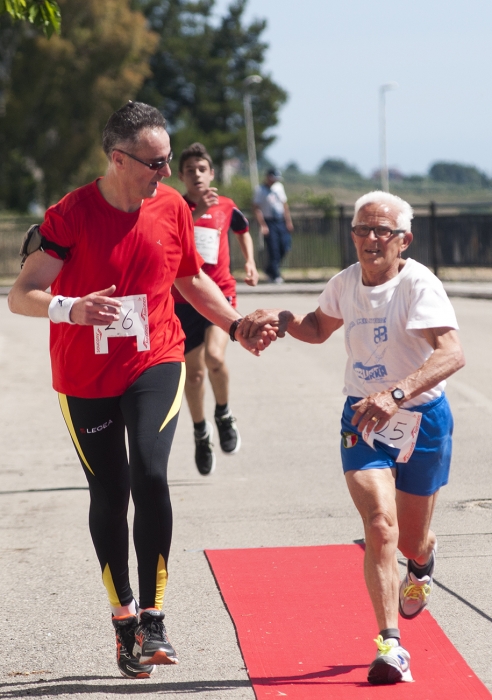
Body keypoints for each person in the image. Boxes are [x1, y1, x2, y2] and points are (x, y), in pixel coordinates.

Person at [8, 102, 271, 681]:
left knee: (151, 474)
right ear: (118, 159)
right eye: (155, 162)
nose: (168, 171)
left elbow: (191, 279)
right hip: (83, 376)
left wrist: (234, 324)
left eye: (170, 158)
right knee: (111, 492)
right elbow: (21, 293)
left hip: (155, 358)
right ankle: (123, 617)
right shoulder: (71, 214)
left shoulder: (171, 207)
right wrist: (71, 308)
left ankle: (153, 618)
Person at [239, 191, 465, 685]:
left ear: (404, 239)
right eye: (362, 229)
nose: (370, 239)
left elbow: (451, 354)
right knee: (380, 526)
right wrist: (277, 320)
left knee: (412, 538)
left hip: (422, 420)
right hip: (363, 419)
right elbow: (318, 327)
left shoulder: (419, 285)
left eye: (382, 231)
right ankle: (391, 646)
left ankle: (422, 565)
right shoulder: (346, 283)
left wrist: (397, 393)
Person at [173, 142, 259, 475]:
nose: (196, 175)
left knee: (215, 357)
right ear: (181, 176)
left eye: (202, 169)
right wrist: (193, 214)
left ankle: (223, 413)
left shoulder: (226, 205)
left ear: (211, 173)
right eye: (190, 170)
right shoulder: (173, 206)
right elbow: (167, 236)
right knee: (193, 375)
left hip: (219, 294)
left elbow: (243, 230)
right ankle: (200, 431)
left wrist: (249, 261)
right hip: (182, 300)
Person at [253, 168, 294, 283]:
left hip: (280, 220)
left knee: (285, 246)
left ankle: (269, 269)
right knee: (273, 248)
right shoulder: (260, 190)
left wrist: (288, 221)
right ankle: (275, 274)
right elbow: (256, 208)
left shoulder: (279, 187)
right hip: (269, 221)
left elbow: (284, 205)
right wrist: (262, 225)